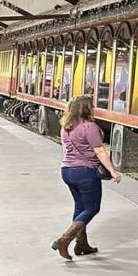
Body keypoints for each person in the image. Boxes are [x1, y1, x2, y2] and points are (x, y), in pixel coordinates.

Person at [53, 95, 121, 260]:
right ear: (87, 109)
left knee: (80, 207)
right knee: (92, 208)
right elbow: (99, 151)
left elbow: (65, 150)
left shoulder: (66, 127)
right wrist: (113, 171)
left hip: (67, 170)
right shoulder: (89, 127)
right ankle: (65, 239)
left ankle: (82, 244)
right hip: (85, 172)